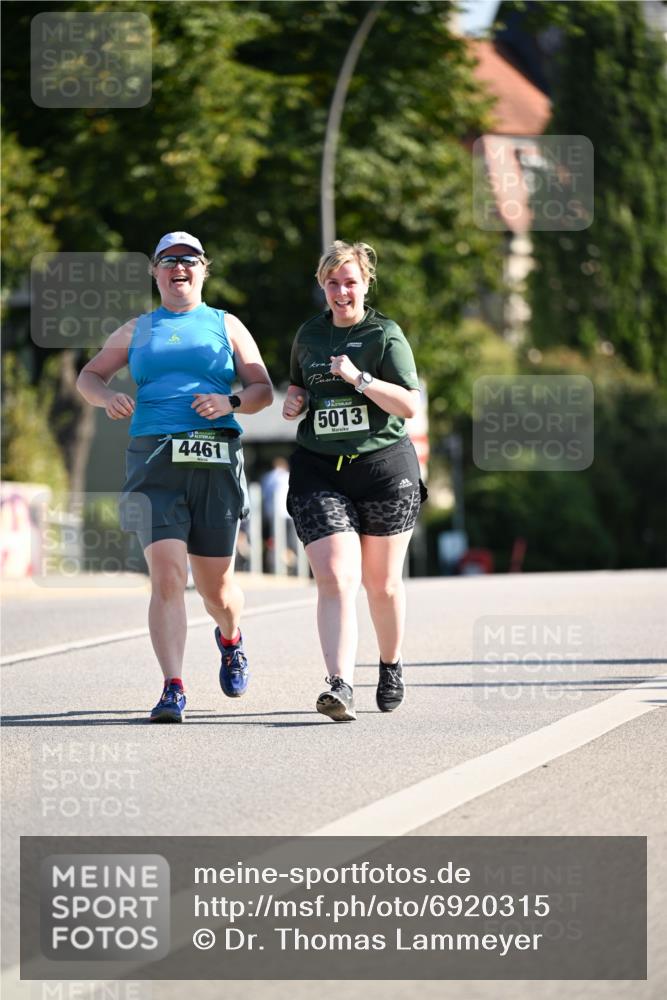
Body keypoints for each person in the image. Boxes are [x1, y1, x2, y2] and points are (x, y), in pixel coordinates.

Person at [77, 231, 273, 722]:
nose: (179, 267)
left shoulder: (226, 325)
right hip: (153, 461)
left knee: (217, 591)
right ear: (156, 272)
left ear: (204, 269)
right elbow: (89, 376)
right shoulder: (138, 329)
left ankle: (231, 640)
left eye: (189, 260)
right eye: (169, 260)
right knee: (167, 577)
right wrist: (107, 398)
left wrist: (229, 401)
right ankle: (173, 686)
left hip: (214, 461)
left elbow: (262, 389)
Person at [282, 240, 426, 722]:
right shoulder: (308, 334)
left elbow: (409, 406)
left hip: (383, 468)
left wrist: (361, 380)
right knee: (336, 576)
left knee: (381, 585)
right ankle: (340, 685)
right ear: (322, 286)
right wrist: (295, 402)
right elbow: (300, 383)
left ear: (365, 284)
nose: (342, 292)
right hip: (320, 470)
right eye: (332, 283)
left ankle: (390, 664)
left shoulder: (384, 335)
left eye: (350, 282)